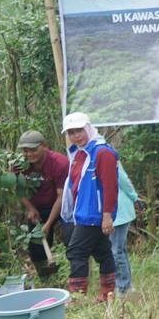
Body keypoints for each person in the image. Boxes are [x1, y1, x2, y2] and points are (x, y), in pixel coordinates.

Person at [53, 112, 120, 302]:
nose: (76, 136)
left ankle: (77, 297)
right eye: (71, 132)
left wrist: (107, 215)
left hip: (94, 214)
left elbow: (110, 186)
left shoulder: (102, 152)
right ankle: (108, 294)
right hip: (83, 212)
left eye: (79, 130)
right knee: (102, 251)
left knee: (76, 251)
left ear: (88, 128)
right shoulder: (81, 152)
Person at [13, 130, 66, 277]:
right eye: (25, 150)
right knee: (36, 246)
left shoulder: (59, 163)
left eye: (34, 150)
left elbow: (62, 196)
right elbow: (18, 188)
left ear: (44, 146)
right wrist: (30, 208)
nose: (29, 154)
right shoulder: (18, 165)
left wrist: (48, 224)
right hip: (37, 207)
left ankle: (78, 279)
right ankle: (46, 279)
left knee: (73, 239)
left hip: (62, 206)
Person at [109, 162, 140, 295]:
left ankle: (123, 287)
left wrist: (134, 197)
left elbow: (123, 179)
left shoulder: (108, 156)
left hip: (119, 211)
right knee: (119, 249)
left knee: (116, 251)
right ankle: (125, 284)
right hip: (111, 212)